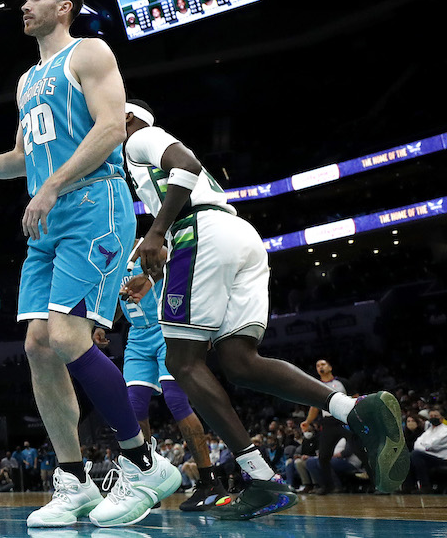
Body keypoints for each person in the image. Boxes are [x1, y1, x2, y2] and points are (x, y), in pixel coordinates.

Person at [0, 0, 180, 528]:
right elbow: (23, 158)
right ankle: (75, 479)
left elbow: (112, 128)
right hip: (45, 218)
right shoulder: (25, 81)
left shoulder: (89, 52)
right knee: (39, 345)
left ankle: (145, 462)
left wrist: (50, 186)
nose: (25, 5)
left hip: (94, 204)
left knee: (68, 335)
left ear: (65, 8)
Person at [119, 100, 410, 519]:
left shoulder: (140, 137)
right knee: (240, 362)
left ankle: (259, 479)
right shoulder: (140, 156)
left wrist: (158, 230)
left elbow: (187, 165)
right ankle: (354, 409)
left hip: (201, 231)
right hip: (238, 236)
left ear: (129, 116)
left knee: (182, 362)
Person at [94, 263, 227, 511]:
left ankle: (210, 483)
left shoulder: (147, 249)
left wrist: (199, 327)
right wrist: (104, 323)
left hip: (166, 328)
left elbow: (181, 273)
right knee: (132, 408)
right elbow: (120, 305)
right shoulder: (111, 258)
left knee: (176, 400)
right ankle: (149, 481)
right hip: (137, 336)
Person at [299, 359, 353, 494]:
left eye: (322, 364)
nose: (320, 367)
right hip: (328, 422)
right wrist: (308, 421)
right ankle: (329, 486)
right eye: (317, 365)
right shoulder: (316, 386)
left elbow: (356, 398)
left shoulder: (343, 382)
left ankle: (376, 484)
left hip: (345, 419)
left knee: (358, 449)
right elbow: (314, 407)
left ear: (330, 367)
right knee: (323, 456)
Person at [411, 407, 447, 493]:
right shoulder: (428, 431)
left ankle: (425, 486)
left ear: (441, 418)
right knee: (410, 456)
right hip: (428, 457)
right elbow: (417, 444)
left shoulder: (445, 430)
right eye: (431, 416)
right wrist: (426, 447)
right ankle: (409, 487)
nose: (433, 417)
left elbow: (434, 445)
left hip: (441, 459)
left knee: (416, 455)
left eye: (436, 415)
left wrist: (425, 447)